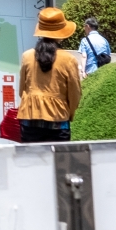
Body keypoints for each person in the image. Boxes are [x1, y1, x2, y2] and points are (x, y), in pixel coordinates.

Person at [18, 7, 84, 143]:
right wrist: (68, 113)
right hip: (58, 120)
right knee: (58, 163)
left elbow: (22, 91)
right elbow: (75, 94)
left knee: (31, 163)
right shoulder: (69, 59)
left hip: (30, 119)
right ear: (61, 34)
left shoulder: (27, 56)